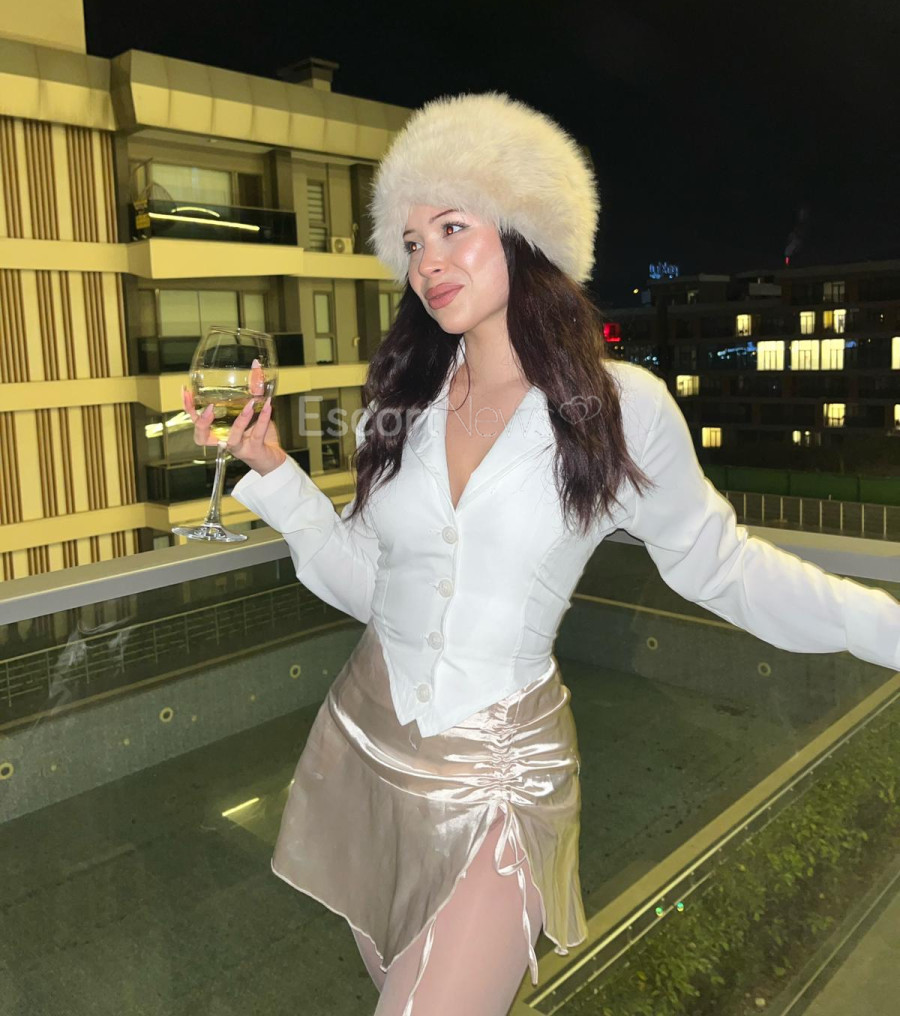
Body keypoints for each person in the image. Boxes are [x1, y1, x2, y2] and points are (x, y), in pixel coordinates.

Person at [183, 91, 900, 1016]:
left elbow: (724, 566)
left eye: (452, 227)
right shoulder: (398, 407)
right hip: (364, 755)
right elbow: (370, 586)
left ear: (525, 231)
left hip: (497, 785)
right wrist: (275, 473)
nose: (427, 261)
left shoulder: (619, 410)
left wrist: (887, 627)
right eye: (412, 242)